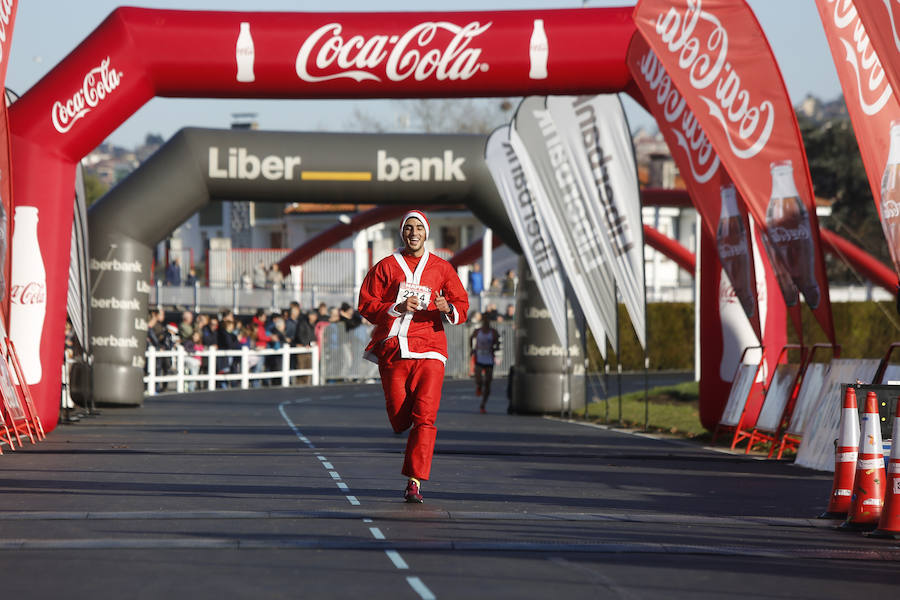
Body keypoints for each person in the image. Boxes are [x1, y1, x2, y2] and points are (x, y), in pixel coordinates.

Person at [358, 210, 469, 503]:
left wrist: (447, 307)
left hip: (431, 350)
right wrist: (396, 306)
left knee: (425, 417)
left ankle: (415, 481)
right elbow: (366, 303)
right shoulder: (386, 266)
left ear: (426, 232)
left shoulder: (442, 268)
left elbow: (461, 304)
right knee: (399, 418)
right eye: (409, 227)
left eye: (419, 227)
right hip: (395, 348)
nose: (414, 232)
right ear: (402, 232)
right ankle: (407, 432)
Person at [470, 318, 500, 414]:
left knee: (488, 383)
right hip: (479, 358)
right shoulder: (477, 331)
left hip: (489, 359)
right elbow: (471, 338)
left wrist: (496, 349)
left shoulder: (493, 332)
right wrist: (472, 349)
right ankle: (479, 386)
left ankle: (483, 404)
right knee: (479, 379)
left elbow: (498, 341)